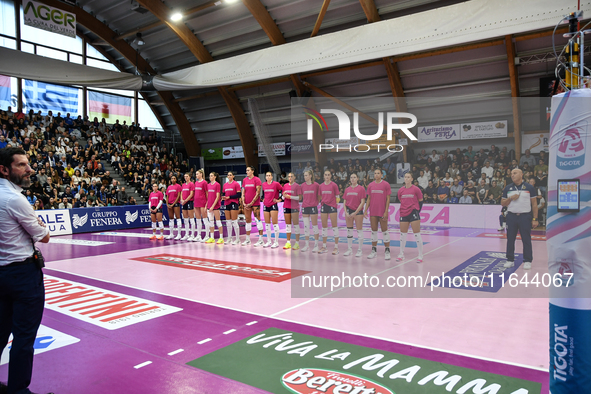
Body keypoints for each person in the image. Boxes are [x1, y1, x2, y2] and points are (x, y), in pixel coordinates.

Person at [0, 147, 52, 394]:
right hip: (22, 275)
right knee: (24, 336)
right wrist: (38, 224)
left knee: (0, 332)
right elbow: (44, 235)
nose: (29, 169)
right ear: (4, 169)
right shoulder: (15, 199)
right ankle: (18, 390)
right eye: (21, 165)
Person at [501, 169, 538, 270]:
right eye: (511, 173)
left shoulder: (529, 187)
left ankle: (527, 260)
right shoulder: (508, 188)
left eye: (515, 173)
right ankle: (510, 260)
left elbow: (534, 204)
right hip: (511, 216)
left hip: (525, 216)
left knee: (526, 239)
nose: (512, 175)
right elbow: (503, 203)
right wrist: (510, 198)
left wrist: (535, 218)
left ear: (521, 175)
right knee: (510, 239)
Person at [364, 168, 392, 260]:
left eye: (378, 173)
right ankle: (374, 250)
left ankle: (387, 250)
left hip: (382, 211)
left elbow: (388, 199)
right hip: (373, 211)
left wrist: (386, 211)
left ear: (381, 175)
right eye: (375, 173)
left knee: (384, 231)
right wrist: (365, 209)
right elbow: (368, 198)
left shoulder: (386, 184)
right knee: (373, 231)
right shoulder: (370, 185)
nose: (376, 175)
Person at [397, 172, 424, 262]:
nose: (407, 179)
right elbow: (401, 200)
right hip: (403, 213)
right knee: (402, 235)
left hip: (413, 212)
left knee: (417, 235)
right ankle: (401, 254)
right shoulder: (400, 190)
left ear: (412, 179)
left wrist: (416, 211)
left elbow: (420, 201)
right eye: (405, 177)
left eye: (408, 177)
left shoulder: (416, 189)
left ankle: (420, 255)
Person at [343, 173, 366, 257]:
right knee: (349, 231)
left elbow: (362, 202)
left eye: (354, 177)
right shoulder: (347, 189)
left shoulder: (361, 189)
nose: (352, 179)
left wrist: (355, 212)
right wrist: (346, 212)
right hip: (349, 211)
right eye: (351, 177)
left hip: (358, 212)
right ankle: (349, 249)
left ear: (357, 179)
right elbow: (344, 202)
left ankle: (359, 250)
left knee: (359, 231)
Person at [319, 170, 340, 254]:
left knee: (334, 226)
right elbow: (320, 196)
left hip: (332, 206)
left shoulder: (334, 185)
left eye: (328, 175)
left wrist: (335, 204)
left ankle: (336, 247)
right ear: (323, 176)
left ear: (330, 176)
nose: (327, 176)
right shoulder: (321, 186)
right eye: (325, 175)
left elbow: (337, 196)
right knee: (324, 227)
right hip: (324, 206)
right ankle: (324, 246)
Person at [241, 166, 264, 246]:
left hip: (255, 204)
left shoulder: (257, 180)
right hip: (246, 204)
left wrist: (251, 203)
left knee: (258, 220)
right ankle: (247, 239)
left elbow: (258, 193)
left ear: (252, 171)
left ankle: (261, 240)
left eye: (248, 170)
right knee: (247, 220)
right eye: (246, 170)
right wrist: (243, 202)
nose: (246, 172)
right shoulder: (244, 180)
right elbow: (243, 192)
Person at [261, 172, 283, 248]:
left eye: (269, 175)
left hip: (273, 205)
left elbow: (283, 190)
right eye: (266, 175)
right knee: (267, 224)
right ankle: (269, 241)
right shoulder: (263, 184)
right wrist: (263, 198)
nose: (268, 177)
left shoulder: (276, 184)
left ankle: (276, 242)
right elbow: (264, 193)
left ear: (272, 177)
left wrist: (280, 199)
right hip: (266, 205)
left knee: (275, 223)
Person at [301, 170, 320, 252]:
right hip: (305, 207)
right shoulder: (302, 185)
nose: (305, 177)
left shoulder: (316, 185)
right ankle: (307, 245)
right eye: (304, 175)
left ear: (310, 176)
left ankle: (316, 245)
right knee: (306, 227)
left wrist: (315, 203)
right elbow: (302, 196)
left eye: (306, 175)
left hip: (313, 207)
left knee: (315, 227)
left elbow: (319, 196)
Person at [282, 172, 301, 250]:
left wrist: (290, 197)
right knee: (288, 225)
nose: (290, 178)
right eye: (289, 176)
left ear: (294, 177)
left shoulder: (297, 186)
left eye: (291, 176)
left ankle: (297, 243)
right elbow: (283, 198)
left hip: (294, 207)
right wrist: (284, 196)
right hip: (286, 206)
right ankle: (288, 242)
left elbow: (299, 198)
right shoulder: (285, 186)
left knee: (296, 225)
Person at [222, 171, 242, 245]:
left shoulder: (236, 184)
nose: (229, 176)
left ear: (233, 176)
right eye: (228, 175)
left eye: (230, 175)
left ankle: (237, 239)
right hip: (227, 203)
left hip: (234, 203)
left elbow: (239, 194)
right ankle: (229, 238)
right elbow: (224, 193)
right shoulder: (225, 185)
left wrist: (229, 197)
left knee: (234, 221)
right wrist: (223, 197)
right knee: (228, 222)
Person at [205, 172, 223, 244]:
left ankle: (221, 238)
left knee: (218, 221)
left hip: (215, 206)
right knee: (211, 222)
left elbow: (217, 196)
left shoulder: (217, 185)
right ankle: (212, 237)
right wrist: (206, 205)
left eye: (211, 176)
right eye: (209, 176)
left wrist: (212, 206)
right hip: (209, 206)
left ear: (215, 177)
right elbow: (208, 197)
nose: (210, 177)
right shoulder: (208, 185)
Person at [193, 169, 209, 242]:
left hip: (203, 203)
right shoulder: (196, 183)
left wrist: (206, 204)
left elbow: (207, 194)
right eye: (196, 174)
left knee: (205, 219)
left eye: (197, 174)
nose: (196, 175)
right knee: (198, 220)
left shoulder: (204, 182)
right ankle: (198, 235)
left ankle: (207, 235)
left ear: (201, 174)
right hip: (196, 203)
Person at [165, 175, 182, 240]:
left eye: (174, 178)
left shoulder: (178, 186)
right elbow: (167, 196)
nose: (173, 179)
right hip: (169, 204)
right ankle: (171, 234)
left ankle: (179, 234)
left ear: (176, 179)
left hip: (176, 203)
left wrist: (173, 204)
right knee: (171, 218)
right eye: (172, 178)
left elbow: (178, 196)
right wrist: (167, 204)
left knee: (178, 217)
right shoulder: (169, 187)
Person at [179, 173, 195, 241]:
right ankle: (186, 234)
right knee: (185, 220)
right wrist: (182, 200)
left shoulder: (191, 184)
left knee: (191, 219)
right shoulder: (183, 185)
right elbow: (182, 193)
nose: (186, 177)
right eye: (185, 176)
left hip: (189, 202)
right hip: (184, 202)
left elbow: (191, 194)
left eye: (187, 176)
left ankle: (192, 235)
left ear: (189, 177)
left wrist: (185, 200)